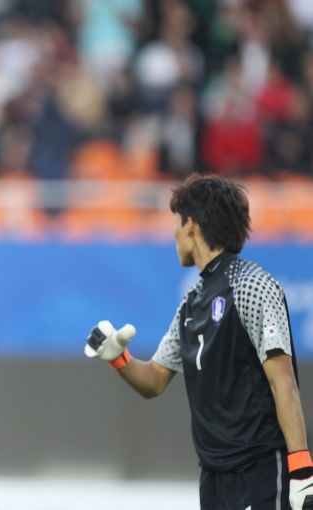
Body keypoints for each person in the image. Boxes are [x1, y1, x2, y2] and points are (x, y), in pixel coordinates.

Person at [85, 174, 313, 510]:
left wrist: (302, 471)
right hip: (213, 477)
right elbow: (154, 381)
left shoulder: (252, 286)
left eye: (176, 224)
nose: (174, 235)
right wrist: (118, 357)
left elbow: (284, 384)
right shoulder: (191, 304)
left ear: (191, 225)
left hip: (260, 472)